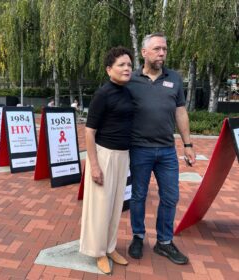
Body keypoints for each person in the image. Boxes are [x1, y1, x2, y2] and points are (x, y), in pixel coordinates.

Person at [125, 32, 196, 265]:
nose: (162, 53)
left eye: (164, 49)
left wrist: (187, 145)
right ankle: (137, 236)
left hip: (166, 151)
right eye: (157, 49)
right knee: (138, 196)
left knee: (171, 196)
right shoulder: (131, 80)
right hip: (139, 149)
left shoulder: (174, 78)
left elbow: (181, 112)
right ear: (144, 52)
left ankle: (164, 242)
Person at [79, 46, 133, 275]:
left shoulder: (128, 92)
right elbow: (89, 132)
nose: (127, 68)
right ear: (109, 69)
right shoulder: (103, 94)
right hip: (103, 155)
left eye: (129, 64)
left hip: (123, 156)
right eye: (121, 65)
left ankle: (110, 247)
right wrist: (94, 166)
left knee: (114, 207)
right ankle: (98, 251)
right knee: (99, 207)